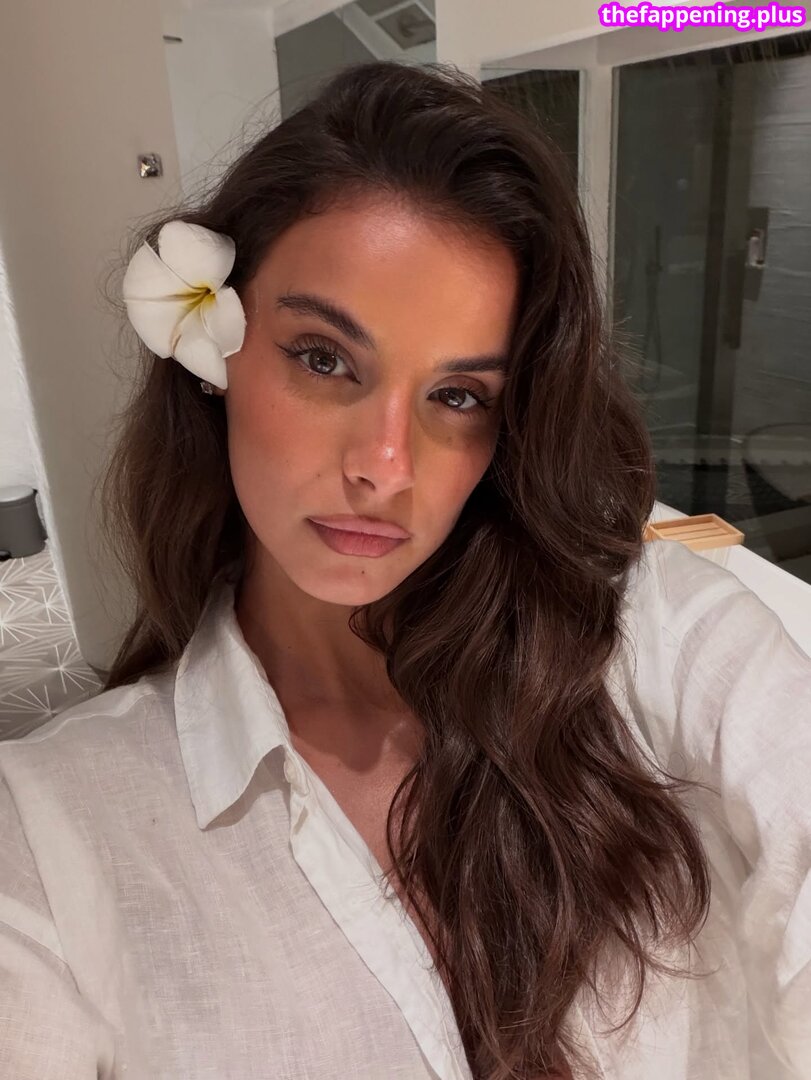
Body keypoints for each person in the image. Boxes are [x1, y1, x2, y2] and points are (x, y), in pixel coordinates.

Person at [0, 60, 809, 1080]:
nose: (386, 467)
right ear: (215, 357)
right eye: (324, 358)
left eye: (458, 397)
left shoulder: (643, 636)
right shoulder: (51, 835)